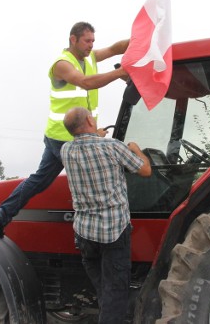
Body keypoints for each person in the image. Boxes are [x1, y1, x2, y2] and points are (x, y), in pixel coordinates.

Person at [0, 22, 130, 237]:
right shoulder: (62, 65)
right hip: (65, 138)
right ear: (73, 39)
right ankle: (90, 235)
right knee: (93, 182)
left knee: (40, 180)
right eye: (87, 41)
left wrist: (141, 42)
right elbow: (85, 82)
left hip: (73, 135)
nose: (91, 45)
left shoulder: (89, 57)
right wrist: (120, 73)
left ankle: (0, 215)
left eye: (93, 41)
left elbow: (115, 48)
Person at [60, 107, 151, 324]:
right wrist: (136, 149)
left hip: (84, 235)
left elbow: (85, 142)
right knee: (115, 294)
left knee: (105, 292)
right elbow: (146, 170)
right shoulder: (113, 147)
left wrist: (95, 135)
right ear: (90, 120)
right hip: (113, 234)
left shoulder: (66, 150)